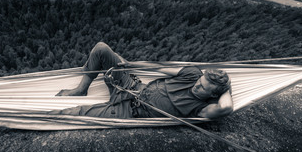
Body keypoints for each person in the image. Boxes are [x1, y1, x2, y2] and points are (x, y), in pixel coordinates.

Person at [55, 42, 233, 119]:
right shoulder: (193, 74)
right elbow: (158, 68)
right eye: (199, 81)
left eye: (202, 88)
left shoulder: (201, 108)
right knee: (102, 49)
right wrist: (130, 65)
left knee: (73, 113)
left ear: (213, 94)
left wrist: (225, 86)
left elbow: (225, 108)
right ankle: (80, 89)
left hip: (129, 111)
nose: (196, 85)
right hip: (132, 86)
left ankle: (29, 119)